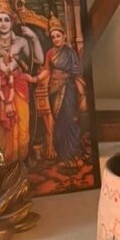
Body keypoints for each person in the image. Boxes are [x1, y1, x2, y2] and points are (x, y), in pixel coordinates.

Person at [0, 0, 42, 164]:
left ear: (12, 22)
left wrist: (33, 38)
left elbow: (40, 60)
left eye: (6, 19)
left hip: (19, 87)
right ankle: (3, 164)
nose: (3, 23)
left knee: (22, 127)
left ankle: (20, 162)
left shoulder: (21, 42)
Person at [34, 15, 88, 168]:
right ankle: (63, 157)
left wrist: (83, 96)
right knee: (59, 123)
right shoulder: (50, 53)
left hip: (69, 90)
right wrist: (35, 79)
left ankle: (74, 153)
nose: (56, 39)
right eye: (53, 37)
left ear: (64, 36)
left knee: (71, 120)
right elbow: (46, 71)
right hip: (54, 91)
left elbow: (77, 75)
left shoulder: (70, 53)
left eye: (58, 36)